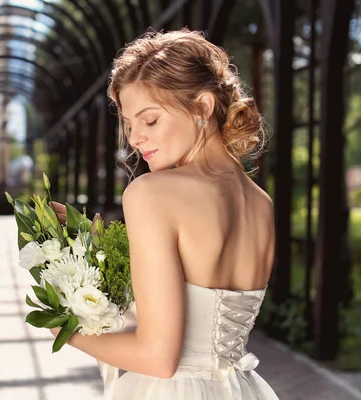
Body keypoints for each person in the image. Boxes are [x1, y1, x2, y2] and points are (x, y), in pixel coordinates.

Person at [49, 28, 279, 399]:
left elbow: (158, 358)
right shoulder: (260, 202)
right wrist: (93, 244)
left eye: (150, 120)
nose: (135, 138)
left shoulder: (151, 193)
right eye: (127, 124)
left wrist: (66, 331)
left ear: (203, 107)